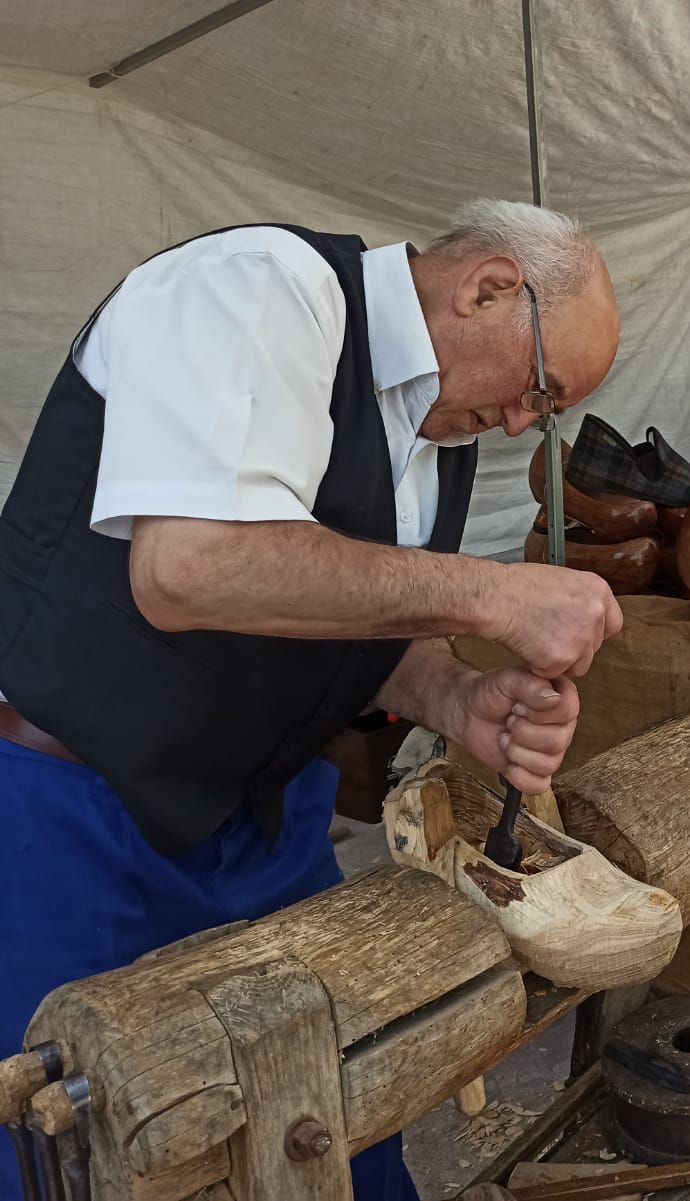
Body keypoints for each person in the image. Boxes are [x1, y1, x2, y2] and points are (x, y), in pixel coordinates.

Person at [0, 201, 624, 1201]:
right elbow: (194, 565)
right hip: (79, 808)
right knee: (78, 1150)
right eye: (535, 388)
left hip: (269, 814)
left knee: (331, 1110)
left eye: (541, 413)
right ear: (488, 286)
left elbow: (343, 611)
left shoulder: (437, 420)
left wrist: (453, 691)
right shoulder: (257, 287)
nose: (519, 423)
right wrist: (494, 592)